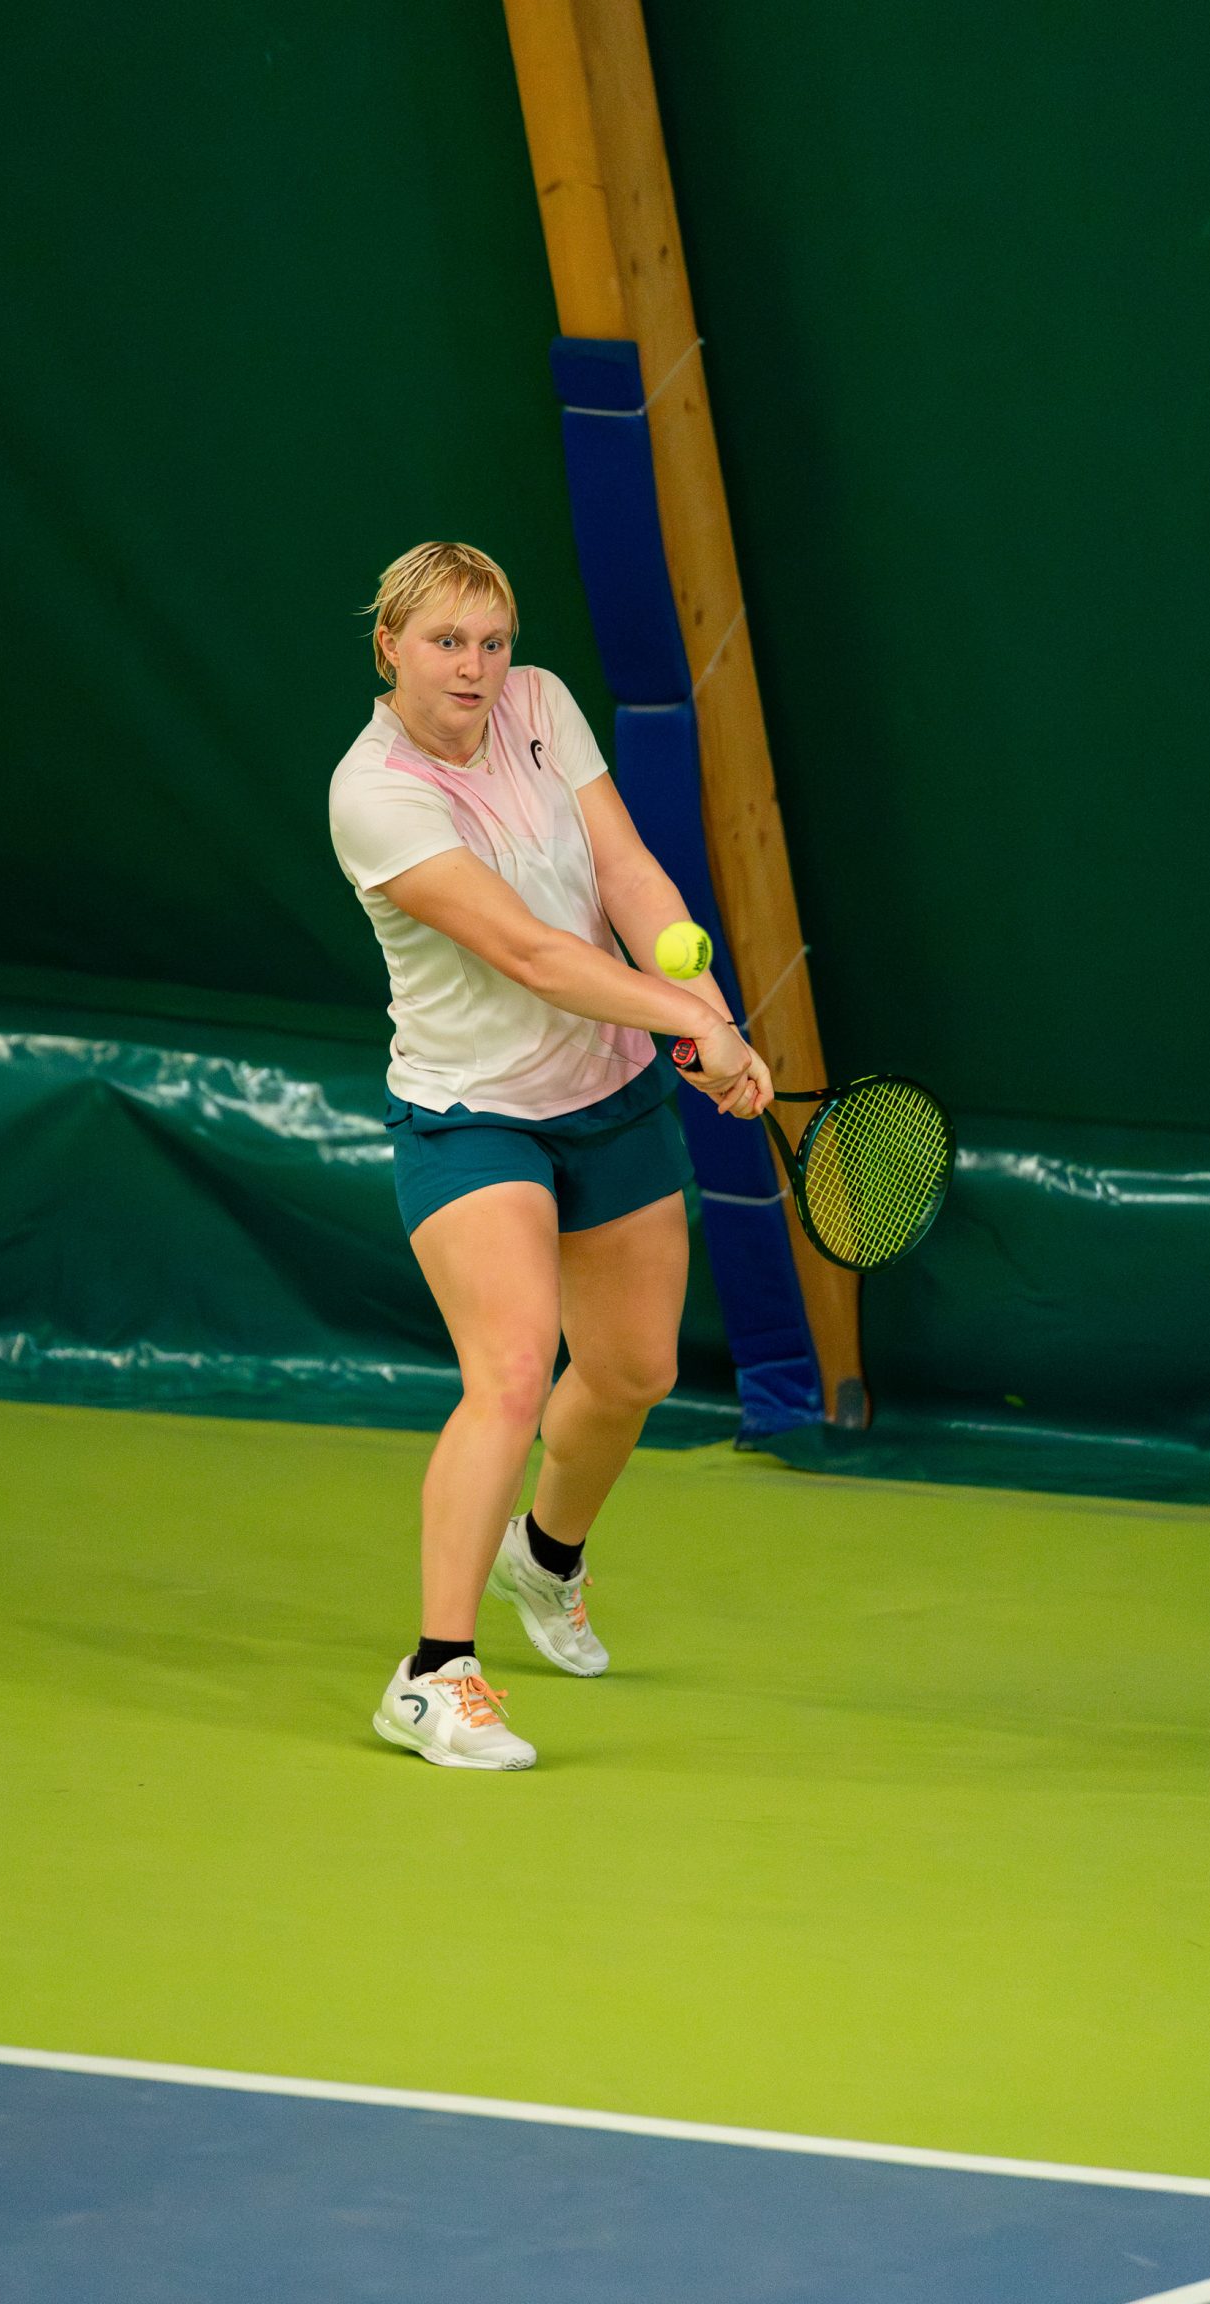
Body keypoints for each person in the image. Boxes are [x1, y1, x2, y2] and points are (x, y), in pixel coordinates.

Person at [328, 541, 773, 1771]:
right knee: (513, 1369)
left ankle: (546, 1552)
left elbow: (623, 869)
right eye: (444, 642)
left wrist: (702, 1003)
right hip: (470, 1112)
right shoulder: (374, 794)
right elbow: (527, 952)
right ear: (390, 647)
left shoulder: (539, 704)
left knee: (630, 1372)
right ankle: (433, 1675)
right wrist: (686, 1018)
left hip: (610, 1095)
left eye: (490, 641)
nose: (473, 667)